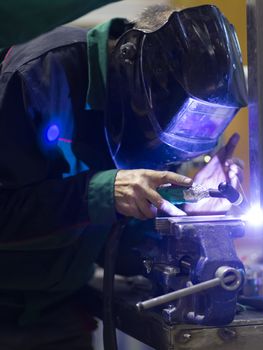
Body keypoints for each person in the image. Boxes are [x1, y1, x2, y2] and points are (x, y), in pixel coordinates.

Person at [0, 4, 247, 349]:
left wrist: (185, 215)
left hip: (61, 316)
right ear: (136, 71)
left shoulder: (151, 108)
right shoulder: (41, 74)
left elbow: (114, 244)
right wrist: (102, 192)